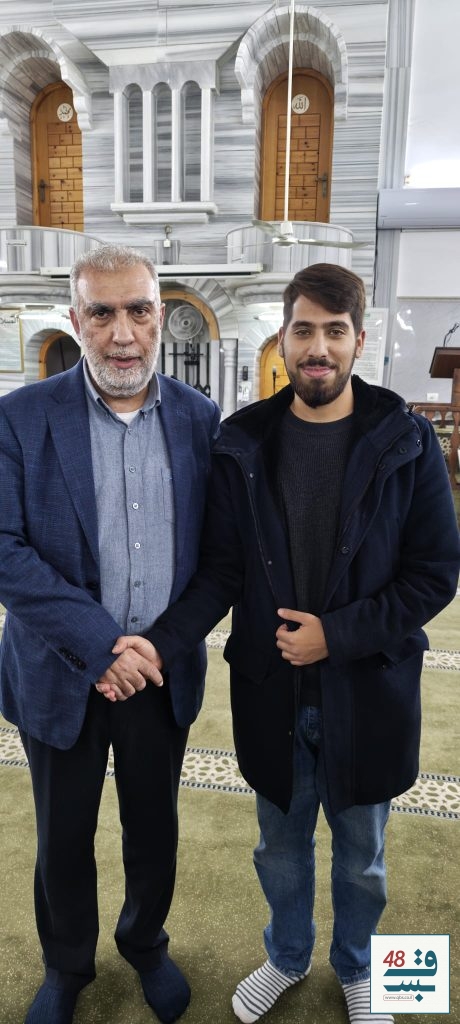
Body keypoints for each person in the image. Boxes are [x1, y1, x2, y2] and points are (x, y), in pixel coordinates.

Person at [99, 263, 460, 1024]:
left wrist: (337, 636)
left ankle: (359, 968)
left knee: (362, 856)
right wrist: (158, 645)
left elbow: (435, 574)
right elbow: (221, 571)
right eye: (304, 330)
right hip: (271, 689)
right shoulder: (242, 443)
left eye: (335, 331)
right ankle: (288, 955)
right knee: (280, 848)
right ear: (284, 338)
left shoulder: (405, 439)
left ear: (359, 340)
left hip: (369, 688)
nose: (318, 347)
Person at [0, 244, 221, 1024]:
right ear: (76, 319)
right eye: (102, 313)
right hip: (59, 672)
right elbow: (5, 549)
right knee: (63, 835)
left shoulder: (200, 420)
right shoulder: (20, 417)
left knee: (153, 827)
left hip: (159, 672)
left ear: (161, 314)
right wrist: (101, 647)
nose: (122, 333)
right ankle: (67, 966)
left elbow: (220, 558)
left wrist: (152, 647)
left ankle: (145, 942)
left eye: (138, 311)